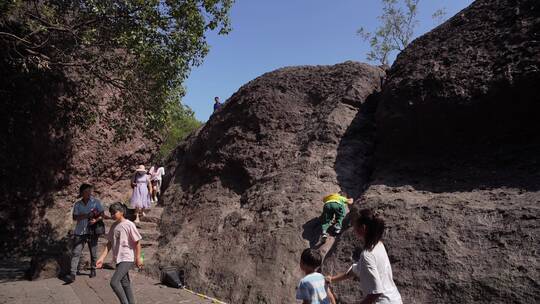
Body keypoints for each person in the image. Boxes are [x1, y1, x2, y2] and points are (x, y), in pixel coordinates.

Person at [325, 209, 402, 304]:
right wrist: (332, 279)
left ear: (363, 228)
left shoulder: (367, 255)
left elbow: (375, 293)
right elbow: (354, 270)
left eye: (355, 225)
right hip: (395, 298)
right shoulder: (378, 245)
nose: (353, 228)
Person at [97, 202, 143, 304]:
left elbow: (137, 242)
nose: (112, 215)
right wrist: (101, 258)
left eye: (114, 212)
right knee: (125, 283)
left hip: (127, 258)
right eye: (111, 213)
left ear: (122, 212)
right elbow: (109, 244)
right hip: (118, 258)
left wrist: (138, 257)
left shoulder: (129, 224)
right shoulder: (114, 226)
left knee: (114, 282)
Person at [66, 183, 104, 283]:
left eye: (90, 191)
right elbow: (74, 217)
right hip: (80, 231)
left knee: (93, 252)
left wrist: (95, 220)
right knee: (76, 252)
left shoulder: (96, 202)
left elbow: (102, 214)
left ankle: (93, 269)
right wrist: (87, 215)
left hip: (92, 231)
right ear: (82, 193)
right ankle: (72, 273)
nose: (89, 193)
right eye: (86, 191)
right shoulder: (78, 204)